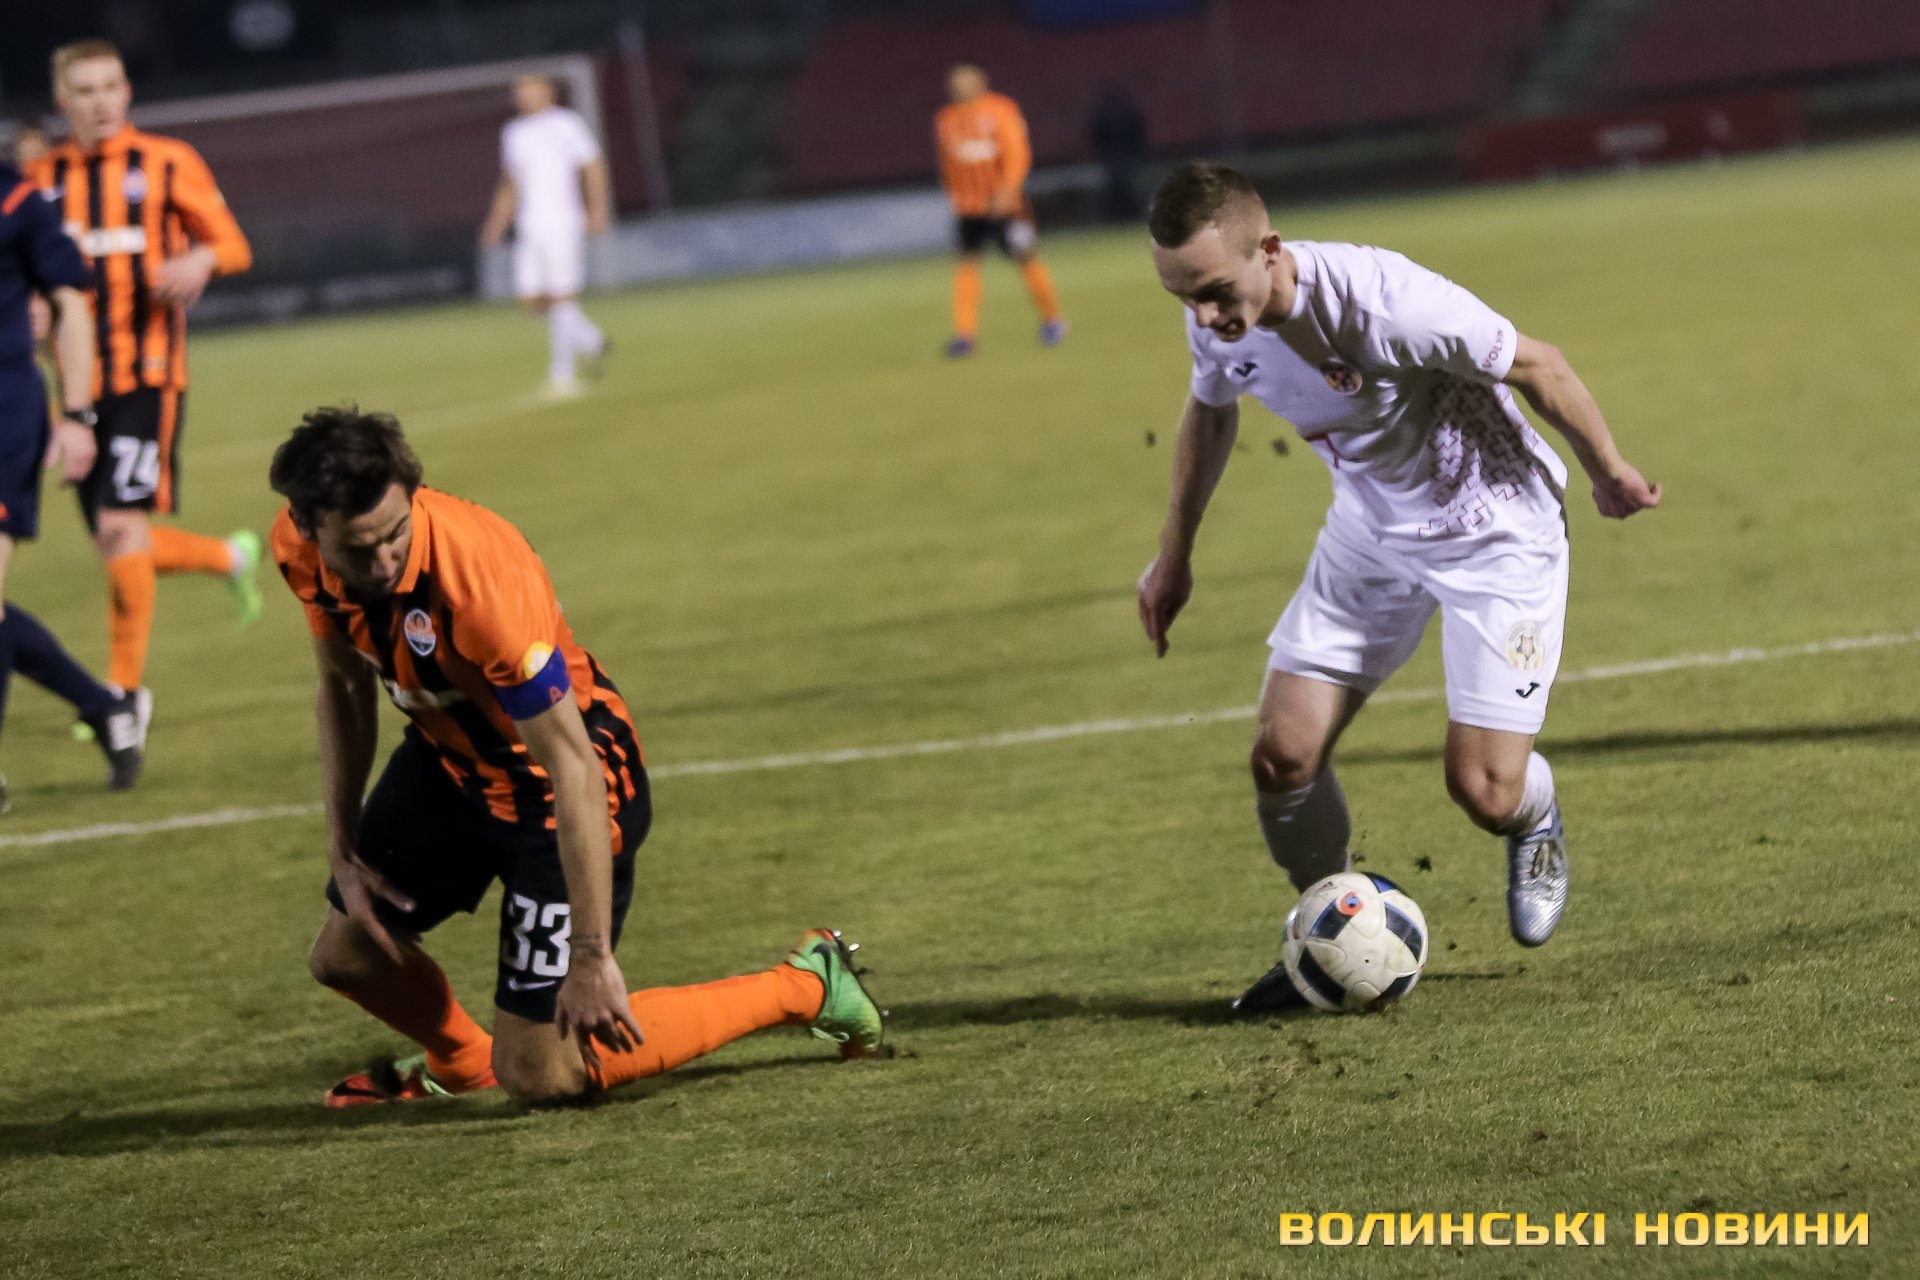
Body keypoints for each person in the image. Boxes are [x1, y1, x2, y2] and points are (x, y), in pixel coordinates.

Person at [1133, 163, 1661, 1013]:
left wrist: (1609, 473)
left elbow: (1540, 364)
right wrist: (1174, 557)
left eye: (1213, 292)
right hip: (1372, 531)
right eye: (1182, 298)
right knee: (1282, 756)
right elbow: (1212, 409)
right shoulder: (1222, 319)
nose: (1201, 317)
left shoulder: (1387, 303)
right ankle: (1325, 941)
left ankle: (1533, 816)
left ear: (1269, 250)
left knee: (1483, 788)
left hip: (1495, 532)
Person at [269, 407, 884, 1106]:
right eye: (360, 550)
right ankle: (463, 1063)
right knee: (348, 956)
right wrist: (342, 848)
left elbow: (573, 765)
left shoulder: (481, 584)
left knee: (542, 1075)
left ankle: (806, 984)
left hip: (551, 784)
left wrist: (591, 957)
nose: (384, 563)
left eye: (396, 535)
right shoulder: (297, 550)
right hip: (449, 764)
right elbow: (344, 686)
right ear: (308, 526)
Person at [26, 40, 264, 716]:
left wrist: (201, 261)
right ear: (63, 101)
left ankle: (123, 697)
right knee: (117, 542)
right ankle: (228, 558)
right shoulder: (41, 180)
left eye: (111, 86)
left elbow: (234, 244)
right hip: (75, 386)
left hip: (148, 376)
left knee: (116, 529)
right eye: (86, 90)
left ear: (127, 90)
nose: (101, 102)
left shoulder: (167, 162)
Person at [0, 159, 148, 800]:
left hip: (6, 414)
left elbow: (70, 304)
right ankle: (104, 707)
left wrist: (79, 415)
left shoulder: (21, 203)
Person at [479, 75, 612, 399]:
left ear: (547, 94)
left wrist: (597, 208)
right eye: (520, 93)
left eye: (530, 91)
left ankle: (562, 375)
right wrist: (497, 221)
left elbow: (593, 166)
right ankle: (591, 340)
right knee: (532, 302)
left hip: (563, 222)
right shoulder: (514, 132)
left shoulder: (567, 124)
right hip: (530, 226)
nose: (524, 97)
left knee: (563, 295)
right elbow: (510, 182)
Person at [934, 61, 1065, 358]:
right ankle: (964, 335)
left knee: (1025, 258)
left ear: (981, 81)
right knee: (966, 265)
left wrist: (1008, 191)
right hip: (969, 207)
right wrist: (955, 196)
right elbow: (947, 164)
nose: (959, 86)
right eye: (955, 81)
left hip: (1005, 205)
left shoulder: (1001, 110)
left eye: (965, 80)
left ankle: (1052, 320)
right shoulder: (946, 119)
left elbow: (1017, 153)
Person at [1089, 84, 1147, 224]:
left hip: (1112, 155)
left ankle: (1118, 214)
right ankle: (1128, 213)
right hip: (1125, 154)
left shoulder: (1104, 114)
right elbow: (1138, 130)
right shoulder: (1128, 112)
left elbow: (1097, 134)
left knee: (1118, 185)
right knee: (1124, 184)